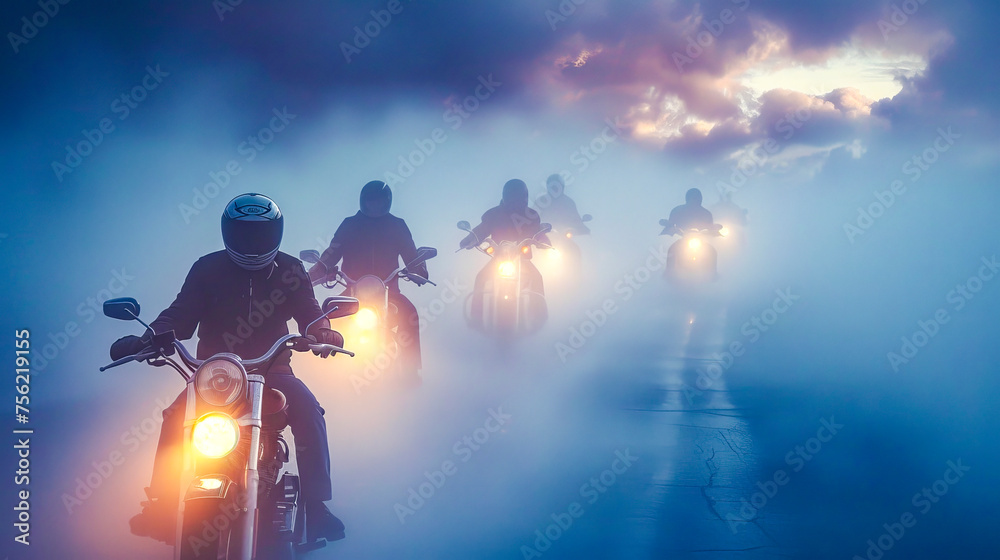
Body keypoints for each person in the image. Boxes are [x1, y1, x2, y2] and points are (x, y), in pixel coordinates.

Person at [110, 193, 347, 544]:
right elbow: (180, 314)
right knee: (175, 416)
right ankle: (161, 505)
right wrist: (151, 336)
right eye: (244, 234)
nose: (252, 244)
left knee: (309, 410)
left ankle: (316, 505)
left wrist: (321, 331)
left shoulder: (292, 270)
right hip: (214, 374)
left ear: (276, 233)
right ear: (227, 232)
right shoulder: (207, 268)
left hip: (273, 370)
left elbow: (310, 313)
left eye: (260, 235)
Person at [307, 181, 428, 384]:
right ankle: (320, 373)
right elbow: (331, 254)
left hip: (389, 293)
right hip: (352, 291)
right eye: (371, 202)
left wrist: (418, 270)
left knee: (410, 314)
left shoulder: (397, 225)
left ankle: (410, 372)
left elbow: (411, 255)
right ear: (363, 201)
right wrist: (315, 274)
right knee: (325, 316)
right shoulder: (349, 224)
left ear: (387, 202)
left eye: (380, 202)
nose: (375, 206)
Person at [460, 179, 550, 329]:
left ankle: (538, 318)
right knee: (481, 277)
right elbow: (482, 229)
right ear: (506, 196)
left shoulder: (531, 215)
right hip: (499, 259)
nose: (515, 201)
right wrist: (470, 239)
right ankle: (476, 318)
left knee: (537, 277)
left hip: (522, 259)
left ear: (524, 197)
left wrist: (545, 241)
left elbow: (537, 232)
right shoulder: (493, 214)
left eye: (519, 197)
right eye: (512, 197)